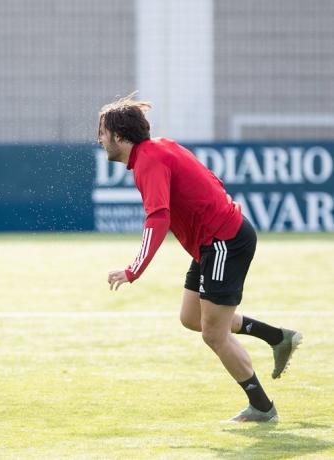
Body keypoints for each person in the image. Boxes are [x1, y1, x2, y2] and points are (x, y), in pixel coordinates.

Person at [97, 93, 302, 422]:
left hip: (223, 242)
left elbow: (158, 218)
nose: (100, 138)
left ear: (119, 136)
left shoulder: (148, 160)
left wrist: (132, 270)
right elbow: (210, 179)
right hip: (214, 242)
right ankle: (277, 337)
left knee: (213, 334)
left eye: (103, 132)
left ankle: (262, 408)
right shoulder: (159, 148)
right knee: (192, 317)